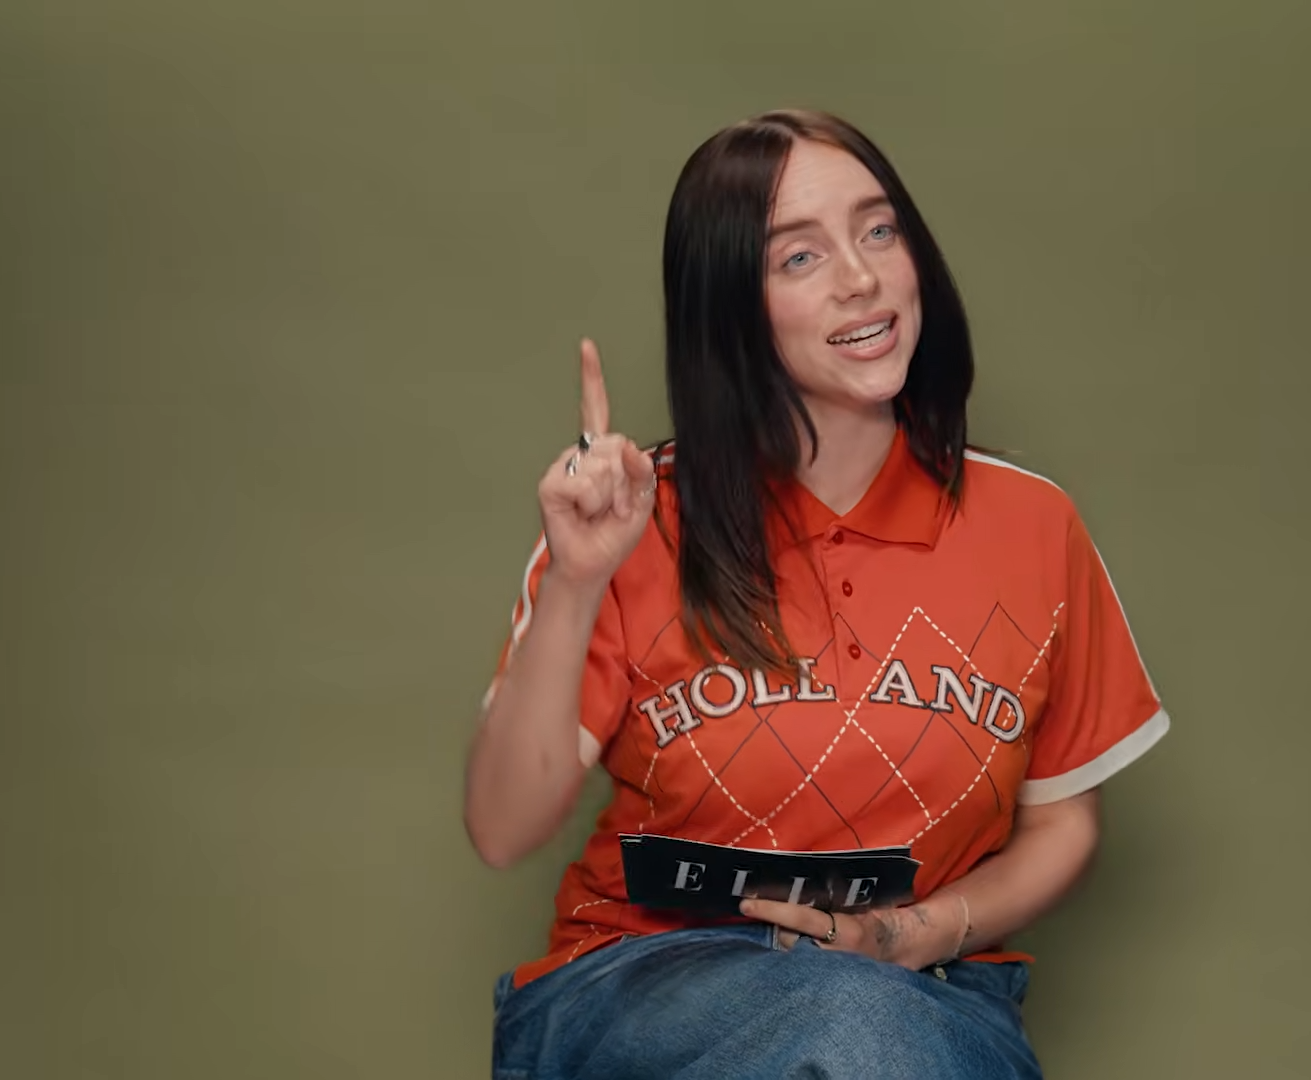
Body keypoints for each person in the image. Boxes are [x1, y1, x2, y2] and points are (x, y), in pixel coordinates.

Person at [464, 109, 1171, 1079]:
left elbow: (1065, 823)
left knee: (876, 1030)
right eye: (799, 258)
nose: (861, 277)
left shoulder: (1031, 525)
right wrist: (578, 582)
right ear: (730, 309)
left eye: (879, 231)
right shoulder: (631, 515)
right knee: (857, 1034)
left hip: (929, 993)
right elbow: (503, 827)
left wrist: (918, 934)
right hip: (643, 983)